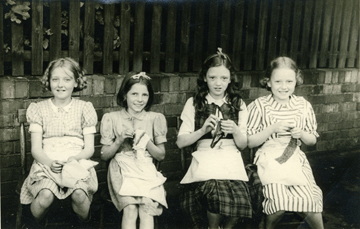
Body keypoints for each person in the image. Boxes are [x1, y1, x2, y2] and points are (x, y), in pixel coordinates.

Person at [177, 48, 252, 229]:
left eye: (224, 78)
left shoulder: (238, 104)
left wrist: (235, 131)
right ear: (204, 78)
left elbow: (242, 145)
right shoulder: (195, 103)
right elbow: (180, 142)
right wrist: (202, 130)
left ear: (230, 79)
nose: (218, 83)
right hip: (205, 156)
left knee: (241, 199)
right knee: (214, 190)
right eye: (212, 78)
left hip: (230, 159)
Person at [20, 57, 98, 228]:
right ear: (48, 82)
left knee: (78, 194)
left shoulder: (84, 108)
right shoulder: (39, 109)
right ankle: (34, 224)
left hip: (76, 162)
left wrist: (74, 159)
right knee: (46, 195)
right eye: (55, 79)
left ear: (76, 82)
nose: (60, 84)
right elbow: (36, 149)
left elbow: (90, 148)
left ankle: (83, 223)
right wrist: (49, 162)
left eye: (67, 79)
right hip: (47, 163)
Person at [247, 56, 324, 229]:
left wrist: (301, 133)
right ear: (268, 82)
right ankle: (266, 226)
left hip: (295, 158)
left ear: (296, 81)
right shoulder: (259, 105)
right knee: (279, 203)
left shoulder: (302, 105)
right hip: (269, 158)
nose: (284, 86)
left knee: (310, 200)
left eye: (289, 81)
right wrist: (271, 128)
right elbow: (250, 142)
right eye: (278, 81)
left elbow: (311, 140)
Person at [100, 71, 168, 229]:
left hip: (146, 169)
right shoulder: (112, 118)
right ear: (125, 95)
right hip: (121, 170)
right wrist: (119, 140)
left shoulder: (154, 118)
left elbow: (161, 155)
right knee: (130, 209)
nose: (139, 99)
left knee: (146, 208)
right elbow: (104, 156)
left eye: (144, 95)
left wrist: (146, 141)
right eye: (134, 94)